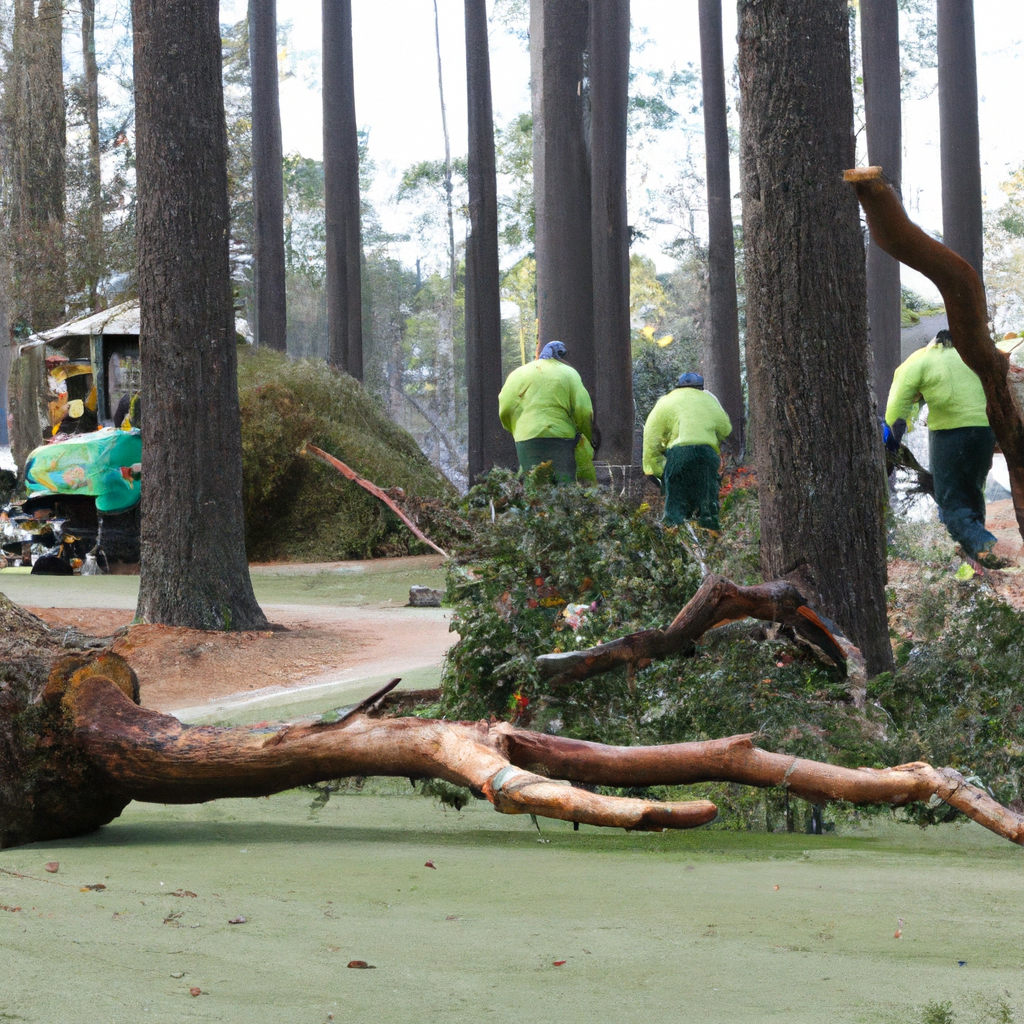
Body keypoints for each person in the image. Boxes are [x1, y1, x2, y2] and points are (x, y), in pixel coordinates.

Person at [884, 329, 1002, 566]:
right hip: (987, 432)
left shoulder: (921, 359)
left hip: (950, 434)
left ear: (934, 343)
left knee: (949, 506)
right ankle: (975, 556)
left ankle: (984, 550)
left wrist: (891, 445)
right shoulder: (977, 356)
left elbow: (895, 414)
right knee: (972, 492)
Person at [642, 372, 732, 529]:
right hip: (706, 455)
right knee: (707, 503)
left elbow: (651, 435)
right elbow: (725, 428)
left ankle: (674, 535)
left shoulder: (667, 401)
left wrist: (654, 469)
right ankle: (709, 538)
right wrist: (712, 441)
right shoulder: (709, 400)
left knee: (675, 501)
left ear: (678, 386)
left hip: (679, 454)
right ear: (700, 387)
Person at [498, 340, 594, 484]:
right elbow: (584, 411)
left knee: (534, 489)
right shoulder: (569, 373)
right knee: (563, 489)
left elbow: (505, 408)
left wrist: (515, 429)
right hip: (561, 439)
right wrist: (588, 435)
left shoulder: (518, 373)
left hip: (527, 439)